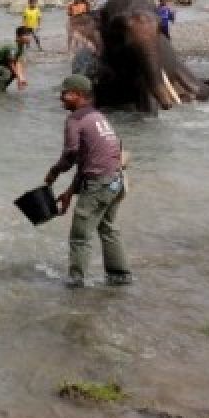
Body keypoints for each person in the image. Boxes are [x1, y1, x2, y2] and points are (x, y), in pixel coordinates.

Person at [44, 74, 131, 289]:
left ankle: (75, 285)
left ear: (78, 95)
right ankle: (120, 277)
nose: (61, 98)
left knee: (79, 236)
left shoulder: (75, 119)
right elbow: (88, 160)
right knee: (107, 228)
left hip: (99, 183)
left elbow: (72, 154)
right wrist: (70, 192)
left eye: (65, 93)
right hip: (115, 181)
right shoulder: (97, 116)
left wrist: (54, 172)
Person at [0, 26, 31, 93]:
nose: (28, 37)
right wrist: (19, 78)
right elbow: (11, 63)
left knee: (13, 73)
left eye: (29, 35)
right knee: (7, 72)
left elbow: (18, 63)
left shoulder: (20, 46)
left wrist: (21, 77)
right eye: (26, 35)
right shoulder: (13, 47)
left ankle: (2, 90)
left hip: (0, 65)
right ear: (18, 37)